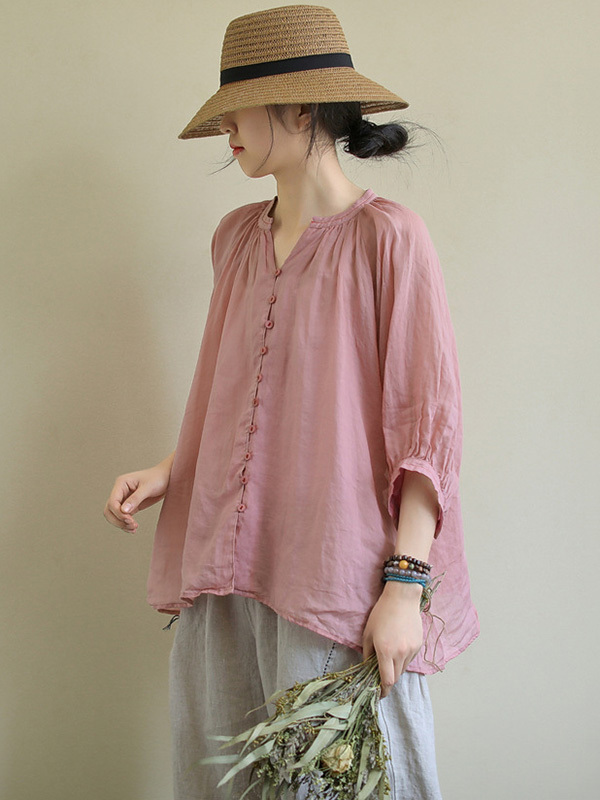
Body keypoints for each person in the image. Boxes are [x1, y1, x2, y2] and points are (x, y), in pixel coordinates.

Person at [103, 5, 480, 799]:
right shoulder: (235, 238)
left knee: (343, 781)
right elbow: (239, 389)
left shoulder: (388, 239)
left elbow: (425, 428)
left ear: (302, 108)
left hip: (332, 575)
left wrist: (405, 587)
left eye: (236, 110)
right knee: (225, 779)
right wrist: (171, 468)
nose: (225, 130)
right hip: (225, 566)